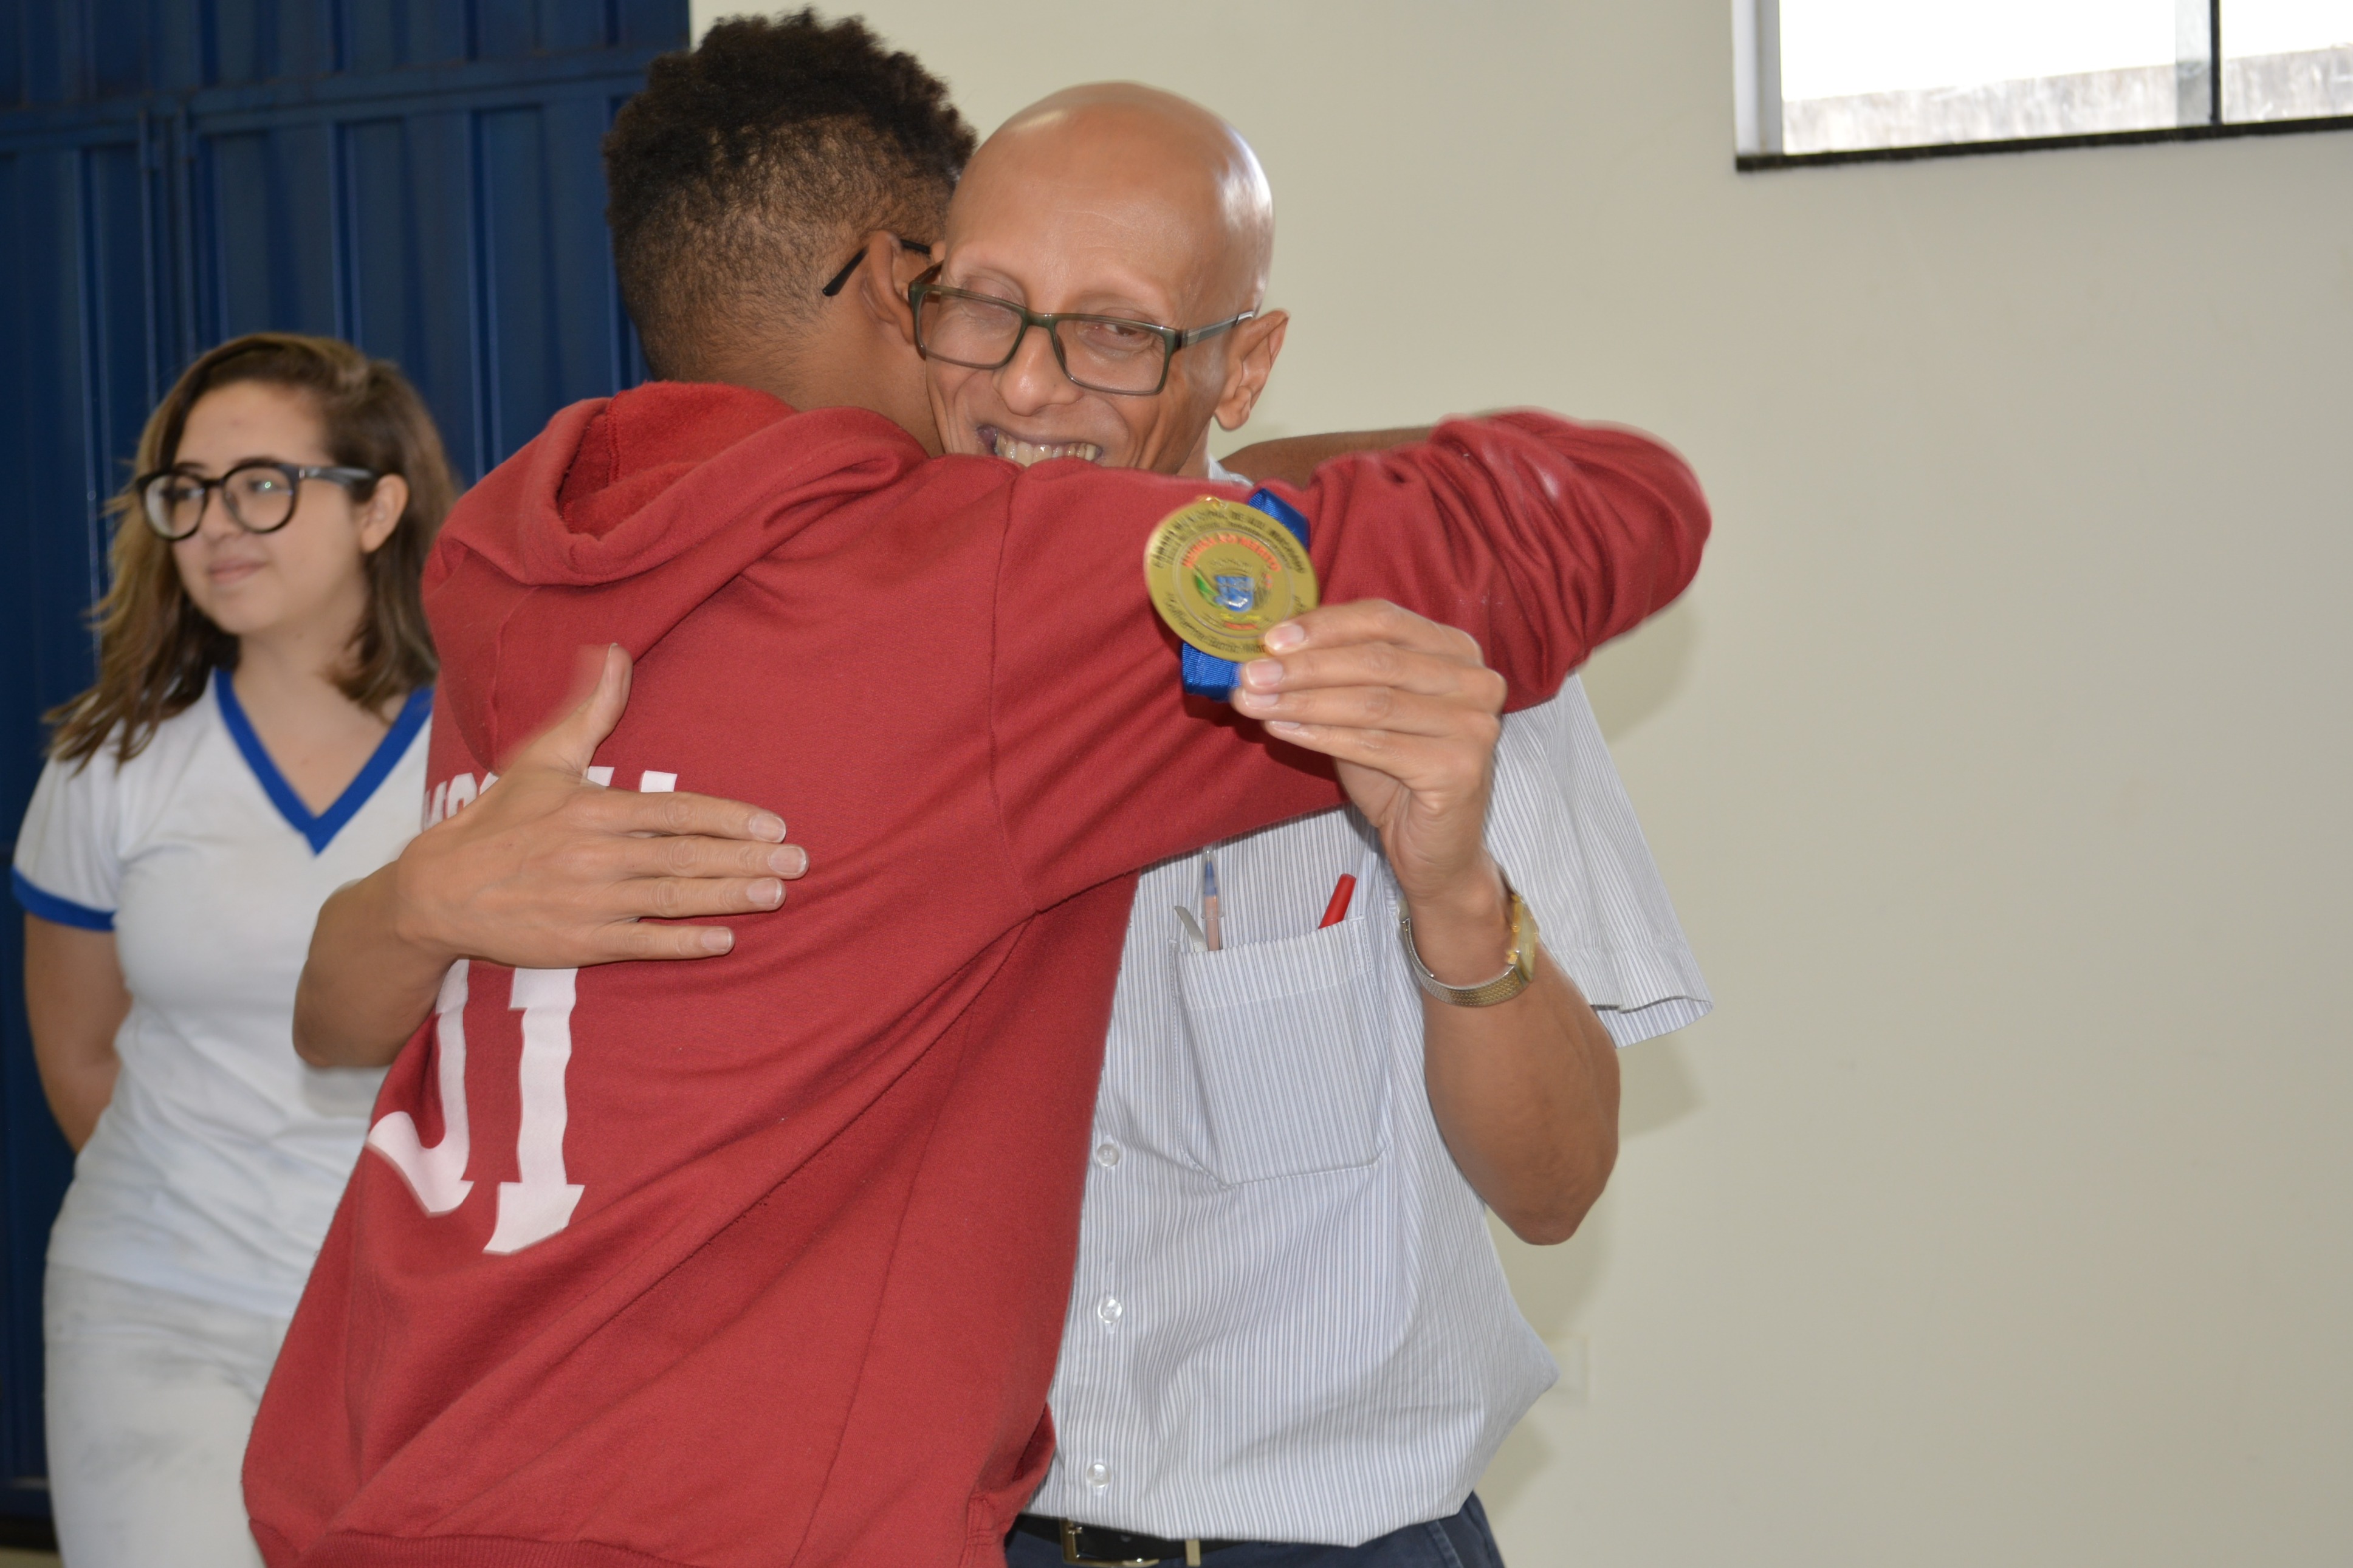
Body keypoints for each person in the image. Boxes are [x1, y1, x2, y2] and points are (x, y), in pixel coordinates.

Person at [244, 17, 1707, 1568]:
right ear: (912, 297)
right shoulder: (780, 635)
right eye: (985, 309)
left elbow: (1554, 1189)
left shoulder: (1414, 650)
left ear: (1243, 362)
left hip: (1324, 1537)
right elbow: (353, 1014)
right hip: (950, 1532)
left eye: (1116, 333)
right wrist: (419, 901)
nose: (1028, 384)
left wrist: (1454, 896)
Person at [10, 332, 452, 1568]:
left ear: (377, 511)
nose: (214, 524)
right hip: (159, 1304)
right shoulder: (109, 760)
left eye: (263, 484)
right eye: (187, 490)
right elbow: (79, 1055)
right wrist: (217, 1215)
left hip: (430, 1321)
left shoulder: (486, 751)